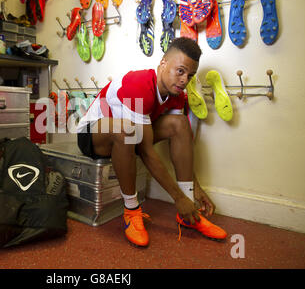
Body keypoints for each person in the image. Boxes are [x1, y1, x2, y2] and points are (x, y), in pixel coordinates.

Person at [76, 37, 227, 247]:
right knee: (126, 130)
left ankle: (188, 216)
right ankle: (131, 211)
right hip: (92, 134)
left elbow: (168, 137)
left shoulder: (176, 95)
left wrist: (193, 190)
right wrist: (178, 199)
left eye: (190, 76)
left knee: (181, 123)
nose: (184, 80)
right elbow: (146, 151)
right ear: (163, 63)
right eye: (180, 71)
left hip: (128, 138)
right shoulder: (139, 84)